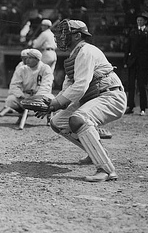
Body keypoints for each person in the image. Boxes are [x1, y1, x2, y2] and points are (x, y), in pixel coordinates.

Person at [39, 20, 126, 182]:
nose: (60, 37)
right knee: (58, 122)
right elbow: (68, 89)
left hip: (110, 96)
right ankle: (96, 151)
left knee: (78, 120)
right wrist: (51, 105)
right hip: (95, 96)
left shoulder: (86, 51)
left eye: (65, 34)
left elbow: (80, 86)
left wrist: (56, 103)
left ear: (78, 35)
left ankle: (106, 170)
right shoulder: (74, 55)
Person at [0, 48, 54, 118]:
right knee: (10, 100)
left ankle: (49, 117)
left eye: (30, 58)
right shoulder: (22, 69)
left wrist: (37, 97)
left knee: (51, 100)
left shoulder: (45, 68)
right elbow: (14, 85)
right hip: (25, 96)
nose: (27, 60)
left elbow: (46, 85)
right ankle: (22, 114)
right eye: (27, 58)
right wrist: (21, 96)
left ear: (37, 59)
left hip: (40, 96)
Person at [123, 11, 148, 116]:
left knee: (142, 86)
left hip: (143, 63)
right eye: (138, 20)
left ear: (145, 21)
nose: (139, 22)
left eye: (141, 20)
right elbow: (127, 48)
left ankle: (143, 108)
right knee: (131, 85)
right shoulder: (132, 32)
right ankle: (130, 106)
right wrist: (126, 61)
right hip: (132, 63)